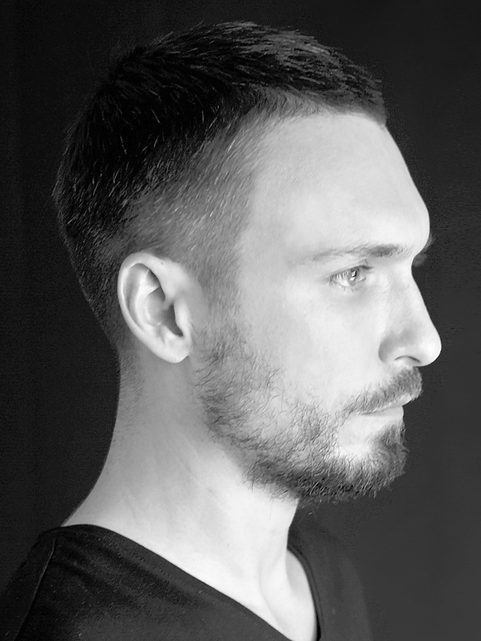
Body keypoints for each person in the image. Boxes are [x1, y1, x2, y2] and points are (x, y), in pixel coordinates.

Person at [0, 21, 441, 641]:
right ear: (163, 310)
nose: (424, 341)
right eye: (353, 273)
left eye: (410, 267)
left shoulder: (321, 573)